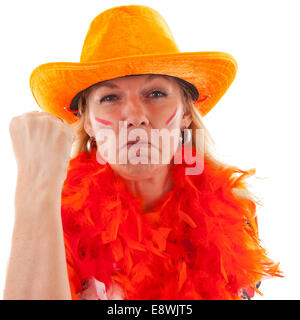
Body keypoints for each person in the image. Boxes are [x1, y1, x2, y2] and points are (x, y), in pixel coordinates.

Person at [5, 5, 282, 300]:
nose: (135, 116)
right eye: (110, 97)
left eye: (156, 94)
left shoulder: (235, 213)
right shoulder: (56, 215)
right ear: (86, 121)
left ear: (187, 113)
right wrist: (35, 186)